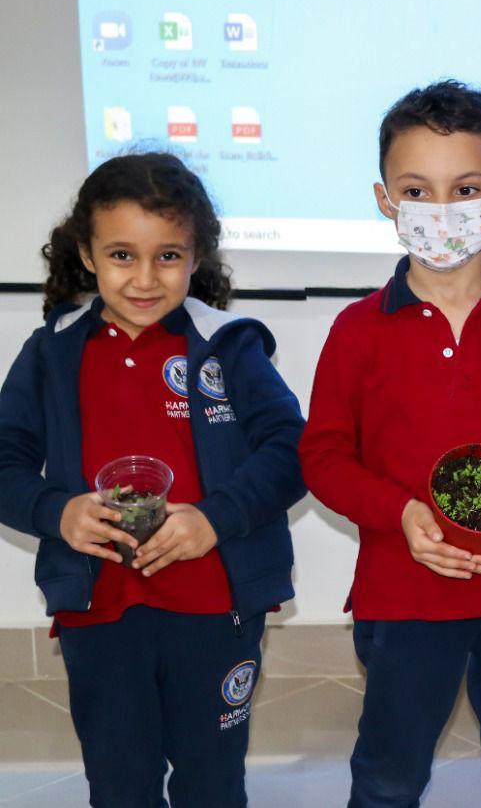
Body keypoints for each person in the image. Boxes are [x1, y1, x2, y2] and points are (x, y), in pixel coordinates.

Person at [300, 80, 481, 808]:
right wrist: (399, 513)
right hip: (404, 596)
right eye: (417, 191)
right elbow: (324, 457)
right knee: (390, 775)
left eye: (465, 188)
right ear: (384, 198)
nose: (442, 210)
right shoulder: (359, 330)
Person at [0, 152, 305, 807]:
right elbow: (5, 461)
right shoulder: (51, 352)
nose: (144, 278)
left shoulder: (231, 344)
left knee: (213, 782)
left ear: (197, 258)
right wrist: (57, 511)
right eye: (121, 255)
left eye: (168, 255)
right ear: (86, 252)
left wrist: (214, 517)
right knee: (120, 783)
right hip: (101, 612)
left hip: (215, 607)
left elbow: (292, 449)